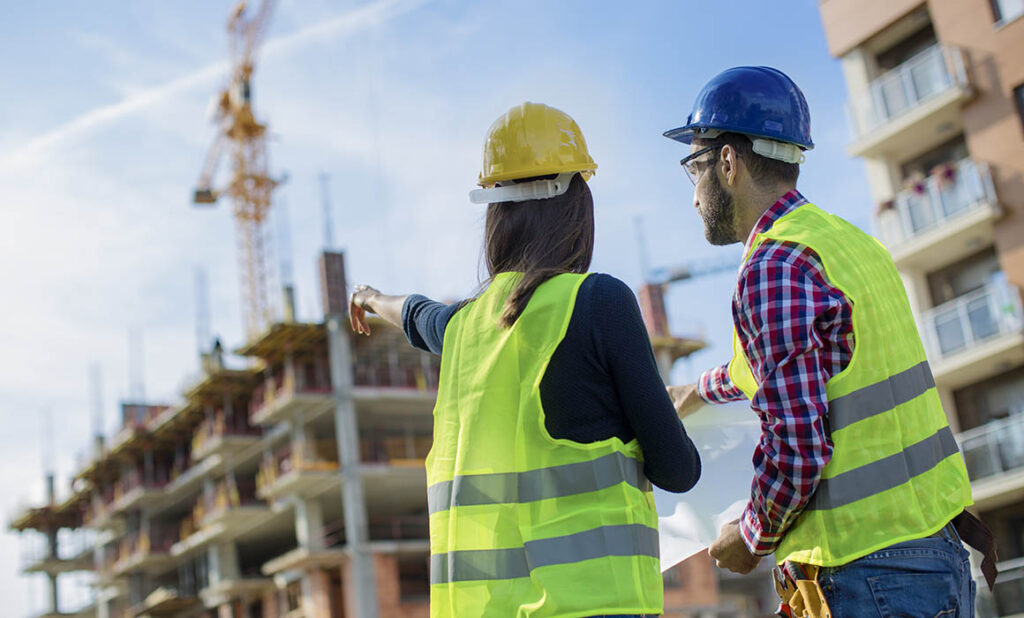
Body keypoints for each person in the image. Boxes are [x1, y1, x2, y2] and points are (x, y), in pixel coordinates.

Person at [663, 66, 996, 617]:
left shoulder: (773, 267)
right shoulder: (849, 244)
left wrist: (749, 537)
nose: (694, 195)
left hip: (868, 571)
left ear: (727, 163)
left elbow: (798, 450)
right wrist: (700, 390)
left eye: (693, 167)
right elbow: (810, 360)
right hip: (936, 551)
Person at [349, 102, 701, 618]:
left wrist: (368, 297)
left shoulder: (465, 328)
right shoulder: (600, 302)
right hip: (597, 606)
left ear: (496, 213)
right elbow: (677, 470)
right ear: (576, 205)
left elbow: (419, 316)